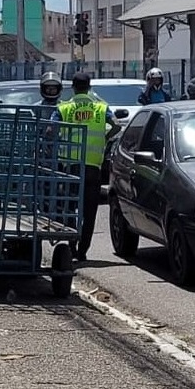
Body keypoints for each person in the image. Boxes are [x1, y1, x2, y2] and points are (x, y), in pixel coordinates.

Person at [51, 73, 119, 261]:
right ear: (89, 87)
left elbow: (50, 129)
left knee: (70, 207)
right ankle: (83, 251)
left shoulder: (64, 107)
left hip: (72, 168)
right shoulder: (100, 107)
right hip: (93, 169)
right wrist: (105, 138)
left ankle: (71, 244)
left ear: (73, 87)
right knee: (89, 212)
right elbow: (116, 125)